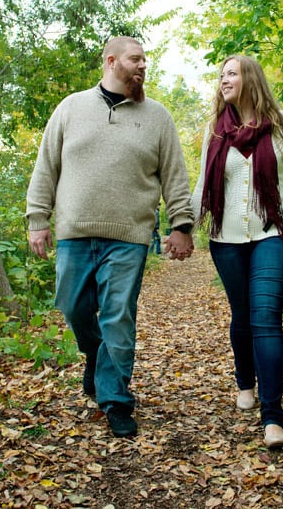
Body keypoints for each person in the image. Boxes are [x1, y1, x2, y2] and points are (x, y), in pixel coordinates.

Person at [26, 36, 195, 438]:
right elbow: (46, 165)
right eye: (135, 60)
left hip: (129, 235)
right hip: (74, 232)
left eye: (144, 61)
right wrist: (37, 218)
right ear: (111, 61)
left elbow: (174, 175)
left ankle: (116, 399)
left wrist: (181, 225)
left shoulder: (157, 117)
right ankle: (95, 356)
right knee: (71, 306)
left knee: (119, 314)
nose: (142, 67)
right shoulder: (71, 107)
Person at [191, 54, 283, 449]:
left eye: (230, 73)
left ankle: (273, 418)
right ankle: (244, 381)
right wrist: (183, 225)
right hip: (226, 240)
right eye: (220, 75)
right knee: (244, 317)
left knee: (266, 318)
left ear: (250, 78)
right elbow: (203, 182)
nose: (223, 80)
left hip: (275, 233)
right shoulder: (215, 130)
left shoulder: (281, 123)